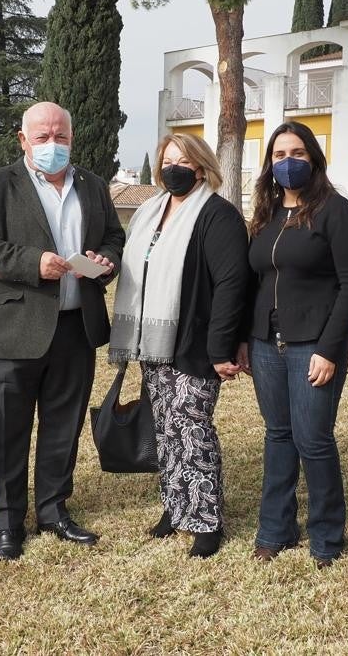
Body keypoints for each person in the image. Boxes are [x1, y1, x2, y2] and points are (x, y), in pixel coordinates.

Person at [0, 101, 125, 560]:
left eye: (61, 137)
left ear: (72, 138)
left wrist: (105, 262)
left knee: (63, 428)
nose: (53, 145)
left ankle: (53, 510)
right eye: (43, 137)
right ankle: (8, 522)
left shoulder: (92, 185)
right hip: (16, 328)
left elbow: (114, 235)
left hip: (77, 327)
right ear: (23, 140)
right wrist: (31, 263)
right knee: (8, 431)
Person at [108, 133, 248, 558]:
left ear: (201, 167)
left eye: (182, 161)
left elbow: (230, 285)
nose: (173, 168)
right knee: (166, 428)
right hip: (154, 341)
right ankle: (175, 506)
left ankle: (206, 520)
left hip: (196, 342)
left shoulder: (217, 215)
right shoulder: (151, 211)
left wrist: (220, 348)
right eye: (167, 161)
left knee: (193, 428)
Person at [239, 121, 348, 570]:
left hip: (313, 345)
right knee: (278, 436)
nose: (287, 162)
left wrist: (330, 348)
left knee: (313, 439)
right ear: (269, 165)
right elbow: (254, 281)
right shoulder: (265, 217)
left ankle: (327, 537)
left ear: (312, 158)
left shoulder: (337, 212)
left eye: (296, 152)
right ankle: (275, 530)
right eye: (278, 155)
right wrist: (244, 340)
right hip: (265, 346)